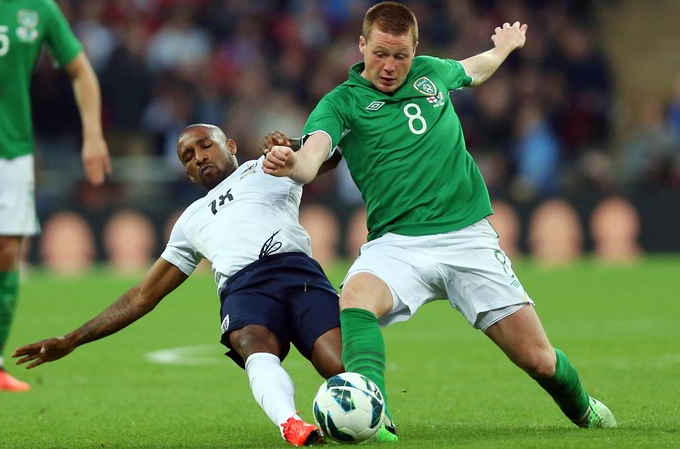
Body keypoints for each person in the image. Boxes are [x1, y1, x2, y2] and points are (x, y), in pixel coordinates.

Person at [262, 2, 617, 441]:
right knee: (354, 299)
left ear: (415, 50)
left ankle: (584, 409)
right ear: (361, 45)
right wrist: (291, 163)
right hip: (396, 244)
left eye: (400, 55)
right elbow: (313, 157)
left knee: (539, 360)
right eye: (379, 54)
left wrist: (504, 47)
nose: (390, 66)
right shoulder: (341, 104)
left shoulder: (432, 73)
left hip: (466, 237)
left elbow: (476, 68)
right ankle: (379, 420)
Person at [13, 124, 343, 447]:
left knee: (337, 362)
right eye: (187, 156)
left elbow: (331, 155)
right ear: (187, 173)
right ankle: (291, 424)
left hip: (299, 273)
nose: (198, 157)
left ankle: (372, 416)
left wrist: (291, 145)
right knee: (252, 343)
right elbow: (142, 296)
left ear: (230, 146)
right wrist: (72, 339)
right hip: (244, 287)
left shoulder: (268, 166)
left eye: (205, 145)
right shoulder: (189, 220)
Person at [0, 0, 111, 391]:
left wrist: (93, 135)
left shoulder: (40, 9)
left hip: (14, 149)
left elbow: (80, 71)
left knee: (7, 251)